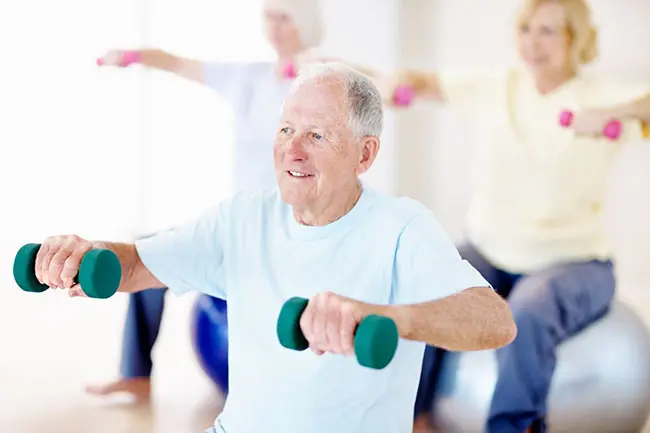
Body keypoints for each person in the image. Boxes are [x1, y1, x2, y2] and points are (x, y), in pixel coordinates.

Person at [32, 62, 516, 433]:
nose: (292, 149)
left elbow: (495, 321)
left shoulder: (402, 228)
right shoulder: (242, 217)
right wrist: (82, 252)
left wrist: (396, 318)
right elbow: (137, 265)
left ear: (365, 154)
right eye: (286, 129)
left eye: (317, 135)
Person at [379, 0, 650, 432]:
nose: (533, 42)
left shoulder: (599, 94)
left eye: (548, 31)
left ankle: (512, 427)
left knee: (526, 314)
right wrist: (400, 80)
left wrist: (612, 114)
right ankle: (414, 419)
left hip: (575, 262)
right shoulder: (499, 86)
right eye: (527, 29)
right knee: (426, 283)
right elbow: (428, 82)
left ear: (574, 39)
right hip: (492, 248)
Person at [87, 0, 327, 400]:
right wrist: (131, 56)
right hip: (238, 222)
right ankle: (136, 375)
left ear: (305, 25)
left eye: (285, 18)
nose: (275, 27)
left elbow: (372, 87)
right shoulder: (247, 78)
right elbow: (180, 63)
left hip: (293, 229)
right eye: (269, 16)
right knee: (150, 251)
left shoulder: (325, 82)